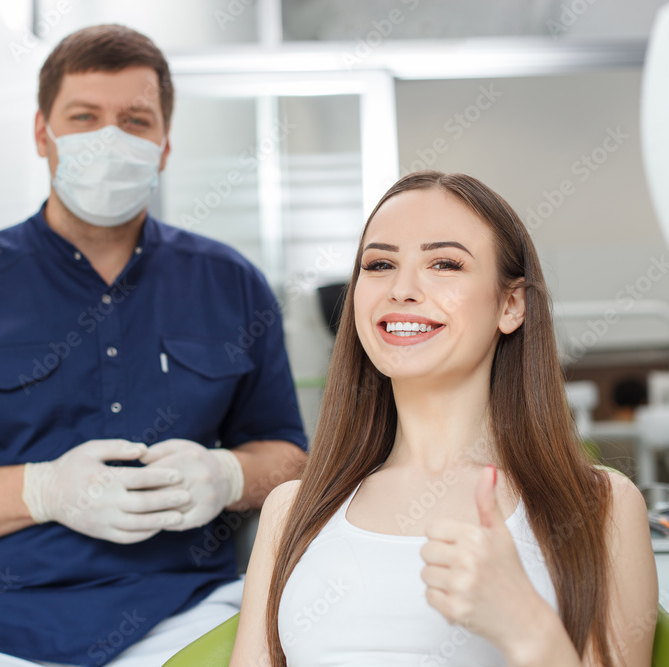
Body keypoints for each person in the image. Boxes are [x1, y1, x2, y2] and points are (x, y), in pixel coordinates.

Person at [0, 24, 308, 667]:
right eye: (84, 118)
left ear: (165, 145)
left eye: (135, 121)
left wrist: (229, 475)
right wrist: (42, 490)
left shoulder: (231, 286)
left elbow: (293, 460)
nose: (109, 140)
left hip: (187, 620)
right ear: (43, 133)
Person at [231, 171, 657, 666]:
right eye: (380, 264)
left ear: (511, 304)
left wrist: (528, 627)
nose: (402, 288)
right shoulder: (292, 511)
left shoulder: (600, 507)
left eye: (445, 263)